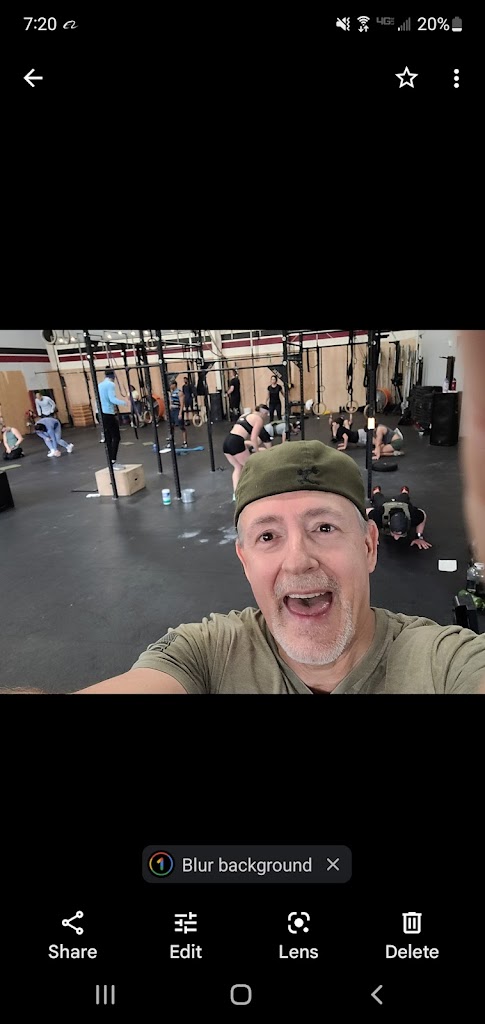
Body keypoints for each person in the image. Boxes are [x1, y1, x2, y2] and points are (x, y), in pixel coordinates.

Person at [62, 439, 485, 694]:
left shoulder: (444, 663)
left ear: (370, 546)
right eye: (267, 536)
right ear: (245, 561)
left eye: (324, 527)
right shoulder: (204, 656)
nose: (298, 560)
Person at [223, 405, 272, 499]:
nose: (266, 417)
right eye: (266, 414)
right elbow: (253, 438)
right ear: (263, 413)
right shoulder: (259, 420)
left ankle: (236, 495)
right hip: (236, 442)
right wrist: (257, 452)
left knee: (238, 467)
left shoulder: (245, 415)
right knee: (251, 466)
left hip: (227, 441)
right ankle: (255, 492)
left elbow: (238, 431)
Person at [366, 485, 432, 549]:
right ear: (389, 523)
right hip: (385, 504)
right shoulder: (379, 516)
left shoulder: (413, 516)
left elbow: (423, 514)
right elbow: (366, 511)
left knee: (404, 497)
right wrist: (370, 536)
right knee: (377, 497)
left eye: (400, 534)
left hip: (402, 503)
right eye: (394, 533)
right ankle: (376, 491)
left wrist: (419, 537)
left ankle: (405, 492)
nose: (396, 538)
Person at [98, 368, 128, 470]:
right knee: (116, 437)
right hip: (107, 414)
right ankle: (113, 461)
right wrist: (125, 403)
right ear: (113, 376)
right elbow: (112, 399)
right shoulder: (110, 384)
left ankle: (111, 461)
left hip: (100, 413)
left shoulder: (100, 385)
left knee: (109, 438)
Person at [167, 379, 188, 448]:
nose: (170, 386)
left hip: (178, 410)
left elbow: (182, 404)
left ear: (174, 385)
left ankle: (185, 442)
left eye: (171, 385)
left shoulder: (180, 392)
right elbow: (171, 403)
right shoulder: (172, 393)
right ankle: (172, 442)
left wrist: (180, 413)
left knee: (181, 427)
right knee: (171, 426)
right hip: (172, 411)